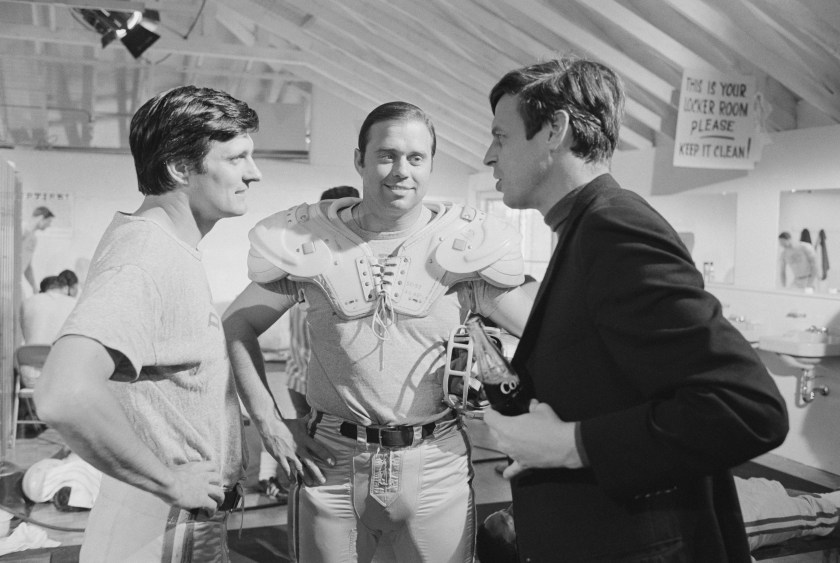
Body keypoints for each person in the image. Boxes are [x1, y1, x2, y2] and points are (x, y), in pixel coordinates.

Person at [480, 57, 789, 561]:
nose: (489, 155)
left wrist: (572, 443)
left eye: (501, 136)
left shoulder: (614, 227)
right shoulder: (582, 228)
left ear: (554, 130)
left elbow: (745, 408)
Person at [223, 101, 535, 562]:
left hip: (437, 462)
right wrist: (267, 421)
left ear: (430, 163)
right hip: (330, 461)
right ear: (360, 160)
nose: (400, 171)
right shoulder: (312, 241)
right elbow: (238, 322)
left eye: (416, 158)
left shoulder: (466, 250)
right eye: (386, 155)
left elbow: (544, 334)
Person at [34, 85, 262, 562]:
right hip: (162, 523)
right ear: (180, 167)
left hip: (159, 516)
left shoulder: (162, 245)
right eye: (237, 158)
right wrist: (169, 479)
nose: (253, 173)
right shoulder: (147, 257)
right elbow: (64, 393)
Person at [257, 185, 360, 503]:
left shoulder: (320, 260)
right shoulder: (312, 263)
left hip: (308, 379)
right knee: (315, 455)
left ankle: (283, 485)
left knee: (314, 453)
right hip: (311, 382)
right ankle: (286, 488)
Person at [476, 476, 840, 562]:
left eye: (506, 511)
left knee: (778, 495)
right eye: (510, 522)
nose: (515, 511)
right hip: (713, 521)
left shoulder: (554, 510)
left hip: (691, 488)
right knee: (812, 512)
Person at [21, 206, 54, 295]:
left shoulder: (34, 239)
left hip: (15, 280)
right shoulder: (21, 228)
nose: (49, 225)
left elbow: (27, 267)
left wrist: (34, 287)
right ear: (41, 218)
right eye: (49, 221)